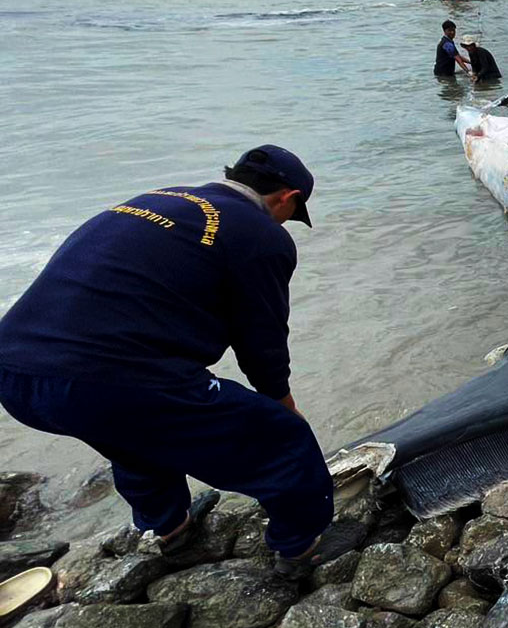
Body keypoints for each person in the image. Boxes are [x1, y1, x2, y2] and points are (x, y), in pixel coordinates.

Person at [0, 146, 335, 577]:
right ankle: (300, 550)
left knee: (134, 435)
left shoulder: (153, 200)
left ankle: (174, 533)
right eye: (293, 213)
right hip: (105, 376)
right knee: (285, 441)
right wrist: (282, 405)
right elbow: (261, 337)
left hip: (16, 371)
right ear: (288, 198)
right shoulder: (262, 234)